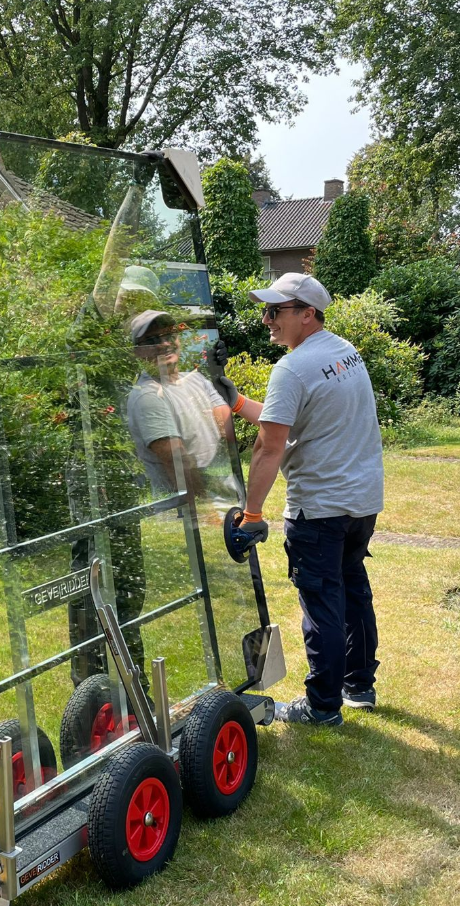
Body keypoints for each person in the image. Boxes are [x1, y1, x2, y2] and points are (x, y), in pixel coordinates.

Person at [217, 273, 384, 726]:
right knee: (352, 588)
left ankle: (322, 706)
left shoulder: (292, 368)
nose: (267, 320)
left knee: (322, 602)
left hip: (319, 508)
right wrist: (237, 403)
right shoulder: (344, 352)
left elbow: (269, 447)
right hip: (360, 501)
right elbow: (287, 420)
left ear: (307, 315)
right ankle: (358, 685)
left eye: (276, 311)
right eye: (266, 310)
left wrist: (251, 514)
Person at [125, 309, 241, 508]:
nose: (164, 344)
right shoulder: (148, 396)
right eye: (152, 340)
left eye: (169, 335)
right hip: (188, 515)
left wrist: (218, 378)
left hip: (227, 501)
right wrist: (207, 509)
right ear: (137, 351)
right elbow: (178, 464)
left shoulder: (196, 379)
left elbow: (228, 434)